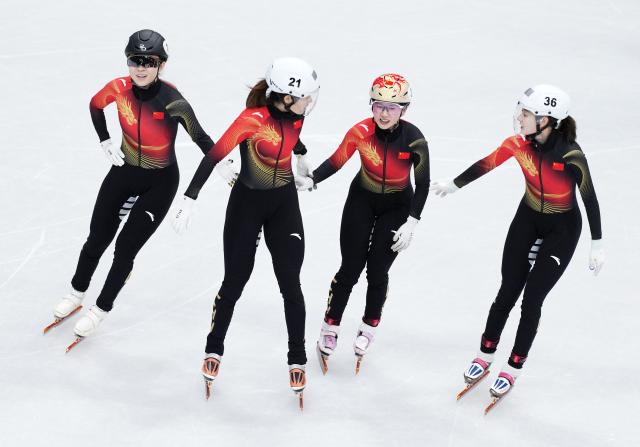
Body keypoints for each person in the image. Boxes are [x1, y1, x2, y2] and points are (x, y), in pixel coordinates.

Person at [430, 85, 605, 400]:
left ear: (546, 119)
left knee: (532, 300)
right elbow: (487, 163)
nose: (519, 119)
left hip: (562, 230)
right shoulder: (517, 144)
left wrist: (597, 243)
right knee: (507, 290)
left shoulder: (570, 154)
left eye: (525, 114)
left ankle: (513, 367)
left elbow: (589, 197)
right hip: (527, 220)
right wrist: (455, 184)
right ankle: (485, 355)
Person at [48, 30, 214, 347]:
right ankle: (76, 293)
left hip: (160, 183)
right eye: (134, 60)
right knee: (97, 237)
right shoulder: (118, 88)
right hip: (124, 172)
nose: (140, 68)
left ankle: (100, 309)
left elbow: (203, 140)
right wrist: (105, 140)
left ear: (161, 65)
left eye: (148, 62)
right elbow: (95, 106)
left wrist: (220, 169)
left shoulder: (173, 100)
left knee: (125, 249)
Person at [171, 57, 319, 405]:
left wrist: (300, 157)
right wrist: (190, 198)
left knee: (290, 283)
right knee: (235, 281)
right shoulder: (251, 120)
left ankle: (296, 357)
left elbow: (291, 136)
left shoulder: (294, 116)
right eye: (305, 97)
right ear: (284, 97)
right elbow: (212, 157)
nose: (309, 103)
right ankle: (214, 348)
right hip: (246, 207)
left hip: (284, 205)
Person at [296, 74, 430, 374]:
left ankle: (370, 323)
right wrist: (313, 178)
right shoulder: (360, 132)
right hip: (362, 200)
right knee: (350, 267)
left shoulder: (415, 140)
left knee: (378, 270)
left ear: (404, 110)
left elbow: (423, 184)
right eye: (379, 105)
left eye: (392, 108)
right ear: (372, 105)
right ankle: (331, 322)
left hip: (397, 207)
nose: (384, 113)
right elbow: (337, 160)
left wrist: (412, 221)